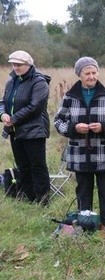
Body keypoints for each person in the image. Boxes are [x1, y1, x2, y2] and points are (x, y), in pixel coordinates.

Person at [54, 57, 105, 233]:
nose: (92, 76)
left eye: (94, 72)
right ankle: (85, 227)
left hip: (104, 153)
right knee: (83, 192)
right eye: (87, 73)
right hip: (79, 154)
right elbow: (58, 121)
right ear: (79, 75)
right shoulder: (69, 97)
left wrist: (104, 127)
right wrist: (74, 128)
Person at [0, 50, 51, 204]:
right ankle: (29, 198)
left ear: (29, 64)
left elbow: (35, 106)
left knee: (37, 166)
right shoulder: (11, 82)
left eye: (19, 65)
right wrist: (2, 115)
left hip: (34, 130)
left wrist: (14, 119)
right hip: (15, 131)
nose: (15, 67)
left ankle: (43, 201)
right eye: (13, 64)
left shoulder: (39, 82)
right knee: (23, 166)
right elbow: (3, 102)